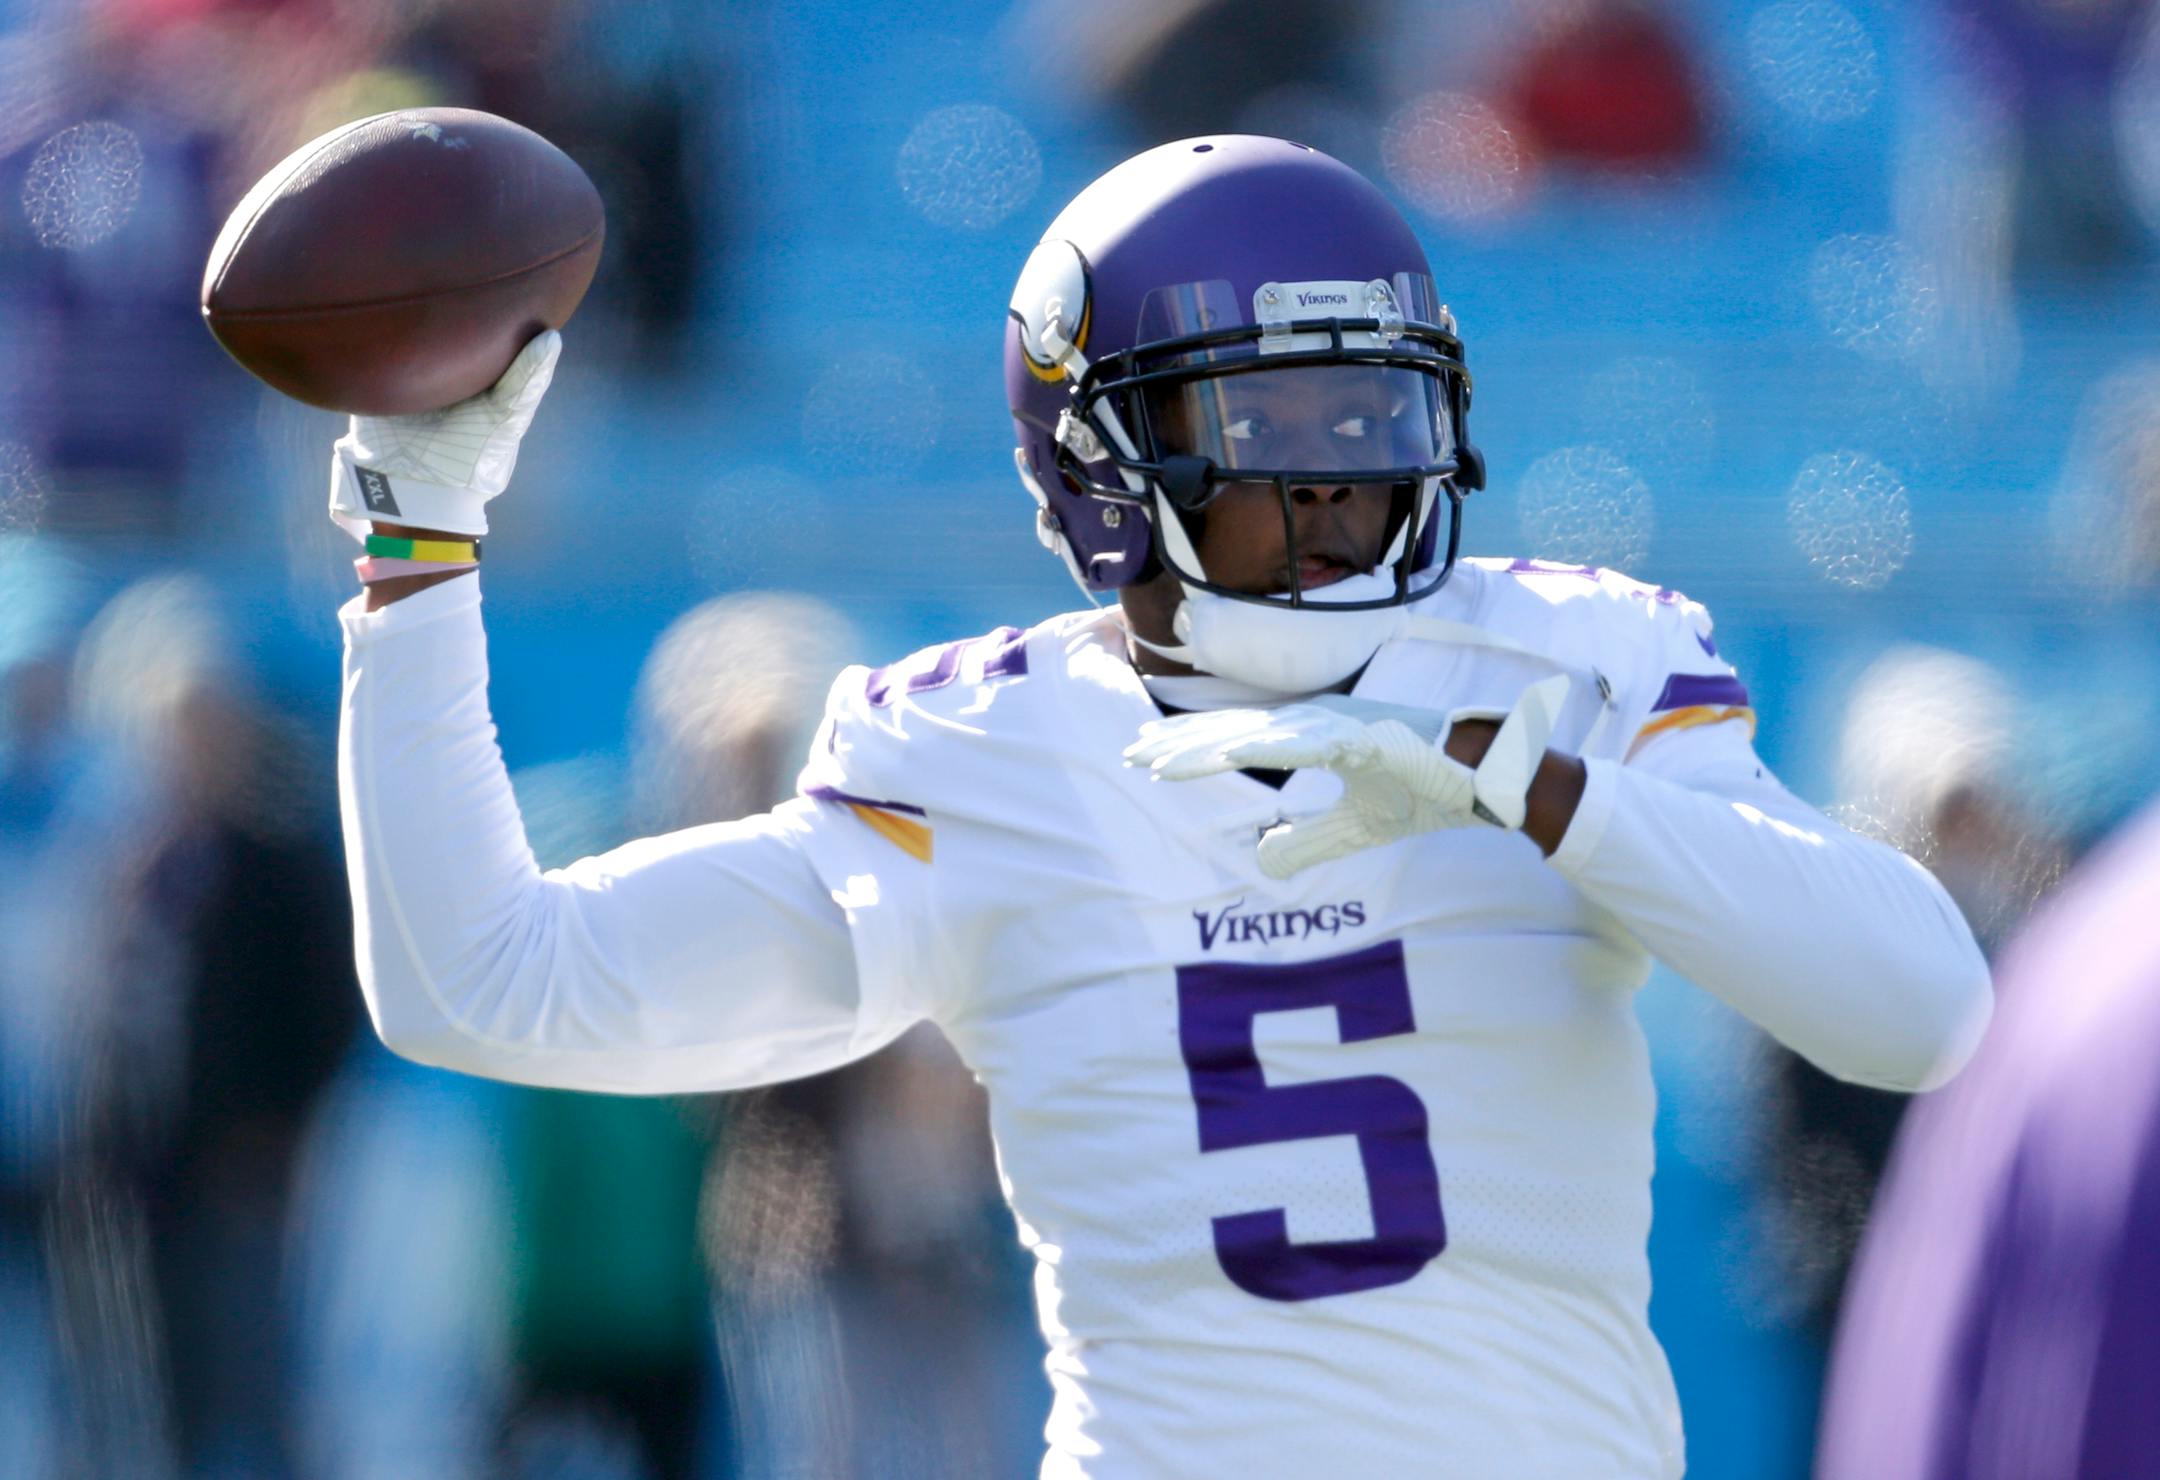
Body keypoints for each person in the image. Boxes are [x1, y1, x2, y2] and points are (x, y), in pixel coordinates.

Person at [327, 137, 1991, 1477]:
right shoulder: (984, 750)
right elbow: (484, 981)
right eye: (1270, 424)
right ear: (1098, 469)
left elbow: (1924, 1014)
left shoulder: (1570, 669)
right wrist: (417, 550)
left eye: (1374, 413)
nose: (1340, 479)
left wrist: (1551, 798)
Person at [1813, 797, 2160, 1480]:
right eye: (1949, 818)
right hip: (1872, 1313)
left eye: (1977, 815)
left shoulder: (2057, 955)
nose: (1966, 839)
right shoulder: (2079, 974)